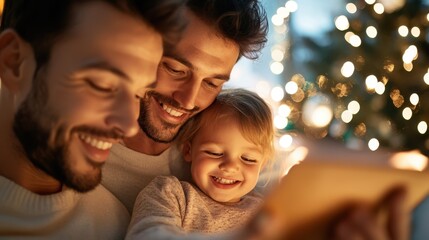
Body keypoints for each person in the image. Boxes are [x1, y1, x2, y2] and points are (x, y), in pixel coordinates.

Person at [0, 0, 186, 239]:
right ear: (14, 62)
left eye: (139, 95)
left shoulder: (119, 228)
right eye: (102, 85)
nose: (129, 126)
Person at [126, 88, 275, 239]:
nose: (230, 167)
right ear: (188, 151)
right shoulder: (171, 193)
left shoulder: (265, 211)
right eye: (215, 153)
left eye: (248, 159)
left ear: (262, 164)